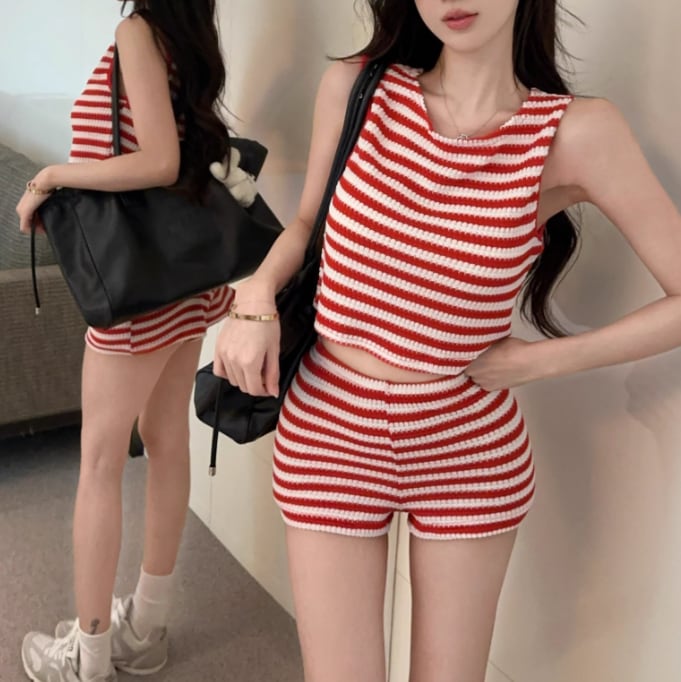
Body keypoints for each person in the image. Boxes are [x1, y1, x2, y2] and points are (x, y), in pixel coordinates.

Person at [214, 0, 681, 680]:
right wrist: (255, 296)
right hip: (329, 425)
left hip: (466, 441)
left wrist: (539, 361)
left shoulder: (575, 132)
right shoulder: (356, 88)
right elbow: (308, 222)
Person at [16, 2, 233, 680]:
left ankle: (89, 656)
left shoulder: (137, 32)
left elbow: (158, 161)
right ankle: (146, 627)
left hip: (136, 292)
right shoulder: (187, 32)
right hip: (184, 279)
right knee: (166, 440)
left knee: (100, 463)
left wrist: (54, 177)